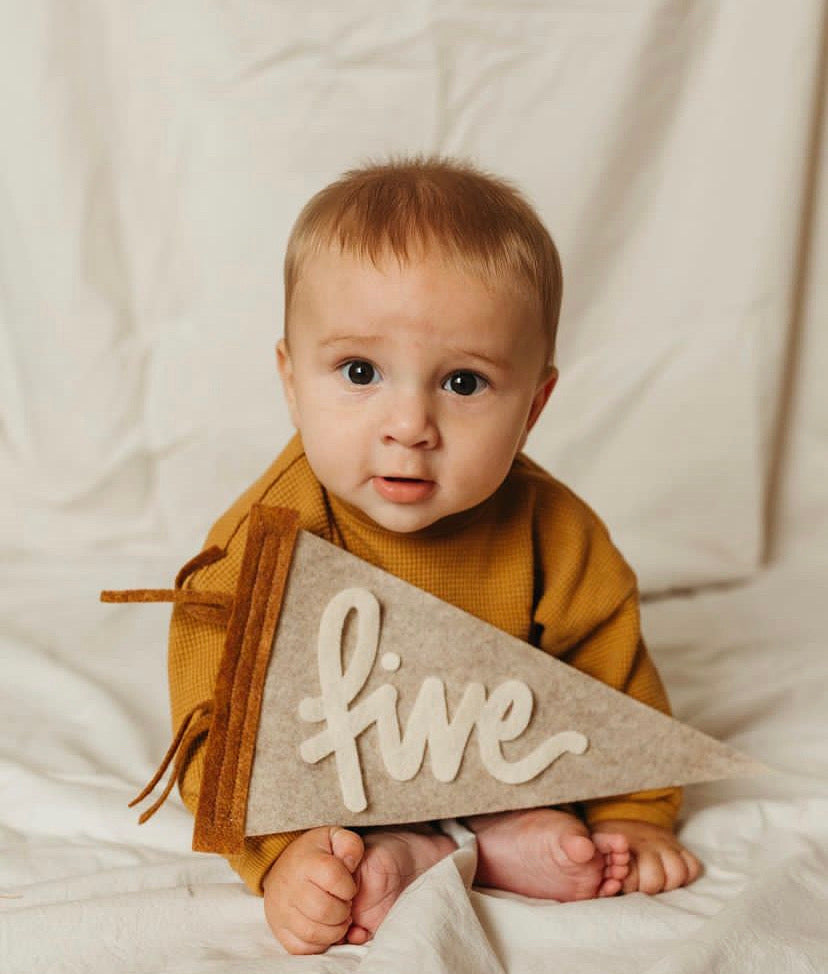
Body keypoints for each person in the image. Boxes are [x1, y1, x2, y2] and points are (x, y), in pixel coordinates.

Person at [164, 157, 701, 955]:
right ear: (290, 380)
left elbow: (609, 675)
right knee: (326, 840)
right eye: (359, 371)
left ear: (534, 406)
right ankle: (383, 852)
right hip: (327, 761)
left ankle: (485, 834)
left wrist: (634, 809)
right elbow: (215, 715)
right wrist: (276, 855)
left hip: (480, 745)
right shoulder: (270, 535)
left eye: (462, 381)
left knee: (533, 762)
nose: (410, 423)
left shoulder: (554, 533)